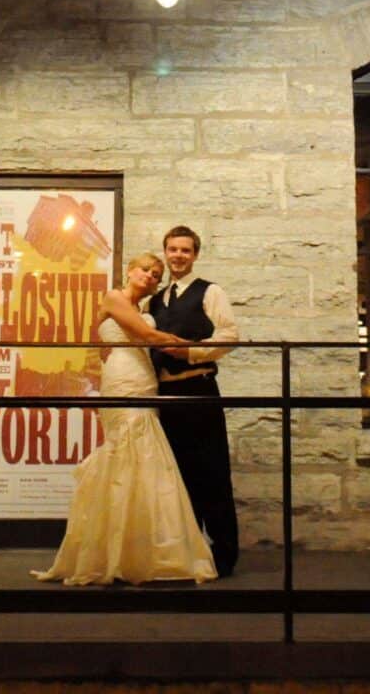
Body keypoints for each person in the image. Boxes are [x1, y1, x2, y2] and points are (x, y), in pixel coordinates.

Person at [32, 252, 216, 585]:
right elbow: (148, 338)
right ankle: (111, 552)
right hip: (121, 379)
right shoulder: (114, 298)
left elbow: (142, 340)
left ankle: (141, 550)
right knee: (124, 453)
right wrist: (196, 348)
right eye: (145, 269)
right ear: (129, 271)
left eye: (156, 275)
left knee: (147, 461)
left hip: (145, 381)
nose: (150, 276)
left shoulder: (146, 311)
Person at [146, 224, 240, 578]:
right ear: (165, 252)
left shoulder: (210, 291)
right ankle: (187, 552)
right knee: (176, 477)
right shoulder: (154, 300)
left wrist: (189, 352)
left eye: (185, 250)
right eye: (172, 249)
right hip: (165, 396)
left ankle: (224, 555)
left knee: (211, 473)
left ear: (195, 254)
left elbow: (230, 336)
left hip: (199, 391)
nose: (178, 256)